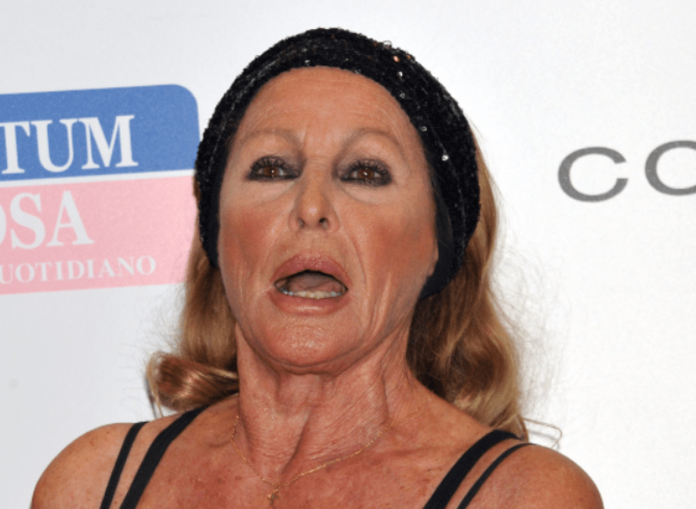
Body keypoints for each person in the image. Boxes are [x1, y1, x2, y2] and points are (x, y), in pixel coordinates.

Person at [32, 28, 603, 508]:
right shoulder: (92, 486)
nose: (310, 207)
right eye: (272, 169)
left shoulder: (522, 496)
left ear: (436, 242)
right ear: (217, 228)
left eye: (365, 173)